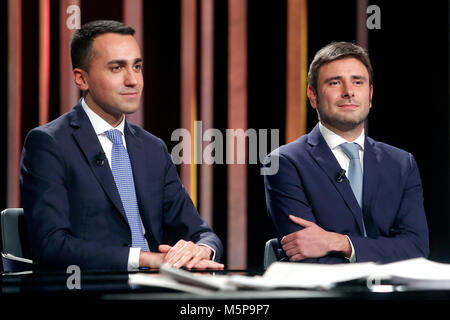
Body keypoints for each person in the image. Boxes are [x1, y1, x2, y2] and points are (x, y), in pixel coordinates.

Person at [20, 20, 223, 271]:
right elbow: (52, 245)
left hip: (156, 289)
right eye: (117, 68)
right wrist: (144, 258)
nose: (133, 80)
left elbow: (200, 232)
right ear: (81, 78)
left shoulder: (153, 148)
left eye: (137, 67)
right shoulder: (49, 143)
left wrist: (200, 249)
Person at [264, 41, 429, 264]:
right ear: (313, 95)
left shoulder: (401, 163)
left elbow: (417, 248)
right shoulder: (284, 162)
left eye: (358, 82)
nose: (349, 92)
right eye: (334, 83)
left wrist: (340, 243)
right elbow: (304, 255)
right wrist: (385, 253)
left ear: (370, 94)